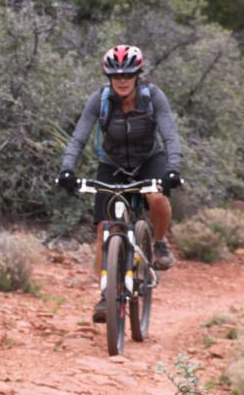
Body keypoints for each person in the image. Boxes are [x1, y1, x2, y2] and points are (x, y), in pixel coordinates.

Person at [56, 44, 183, 323]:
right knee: (104, 227)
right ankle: (106, 294)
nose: (122, 81)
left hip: (149, 160)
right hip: (112, 165)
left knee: (156, 197)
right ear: (108, 77)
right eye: (116, 76)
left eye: (128, 75)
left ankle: (159, 242)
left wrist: (173, 169)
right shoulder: (99, 100)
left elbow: (170, 134)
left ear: (138, 75)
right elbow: (79, 137)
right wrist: (67, 169)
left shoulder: (153, 97)